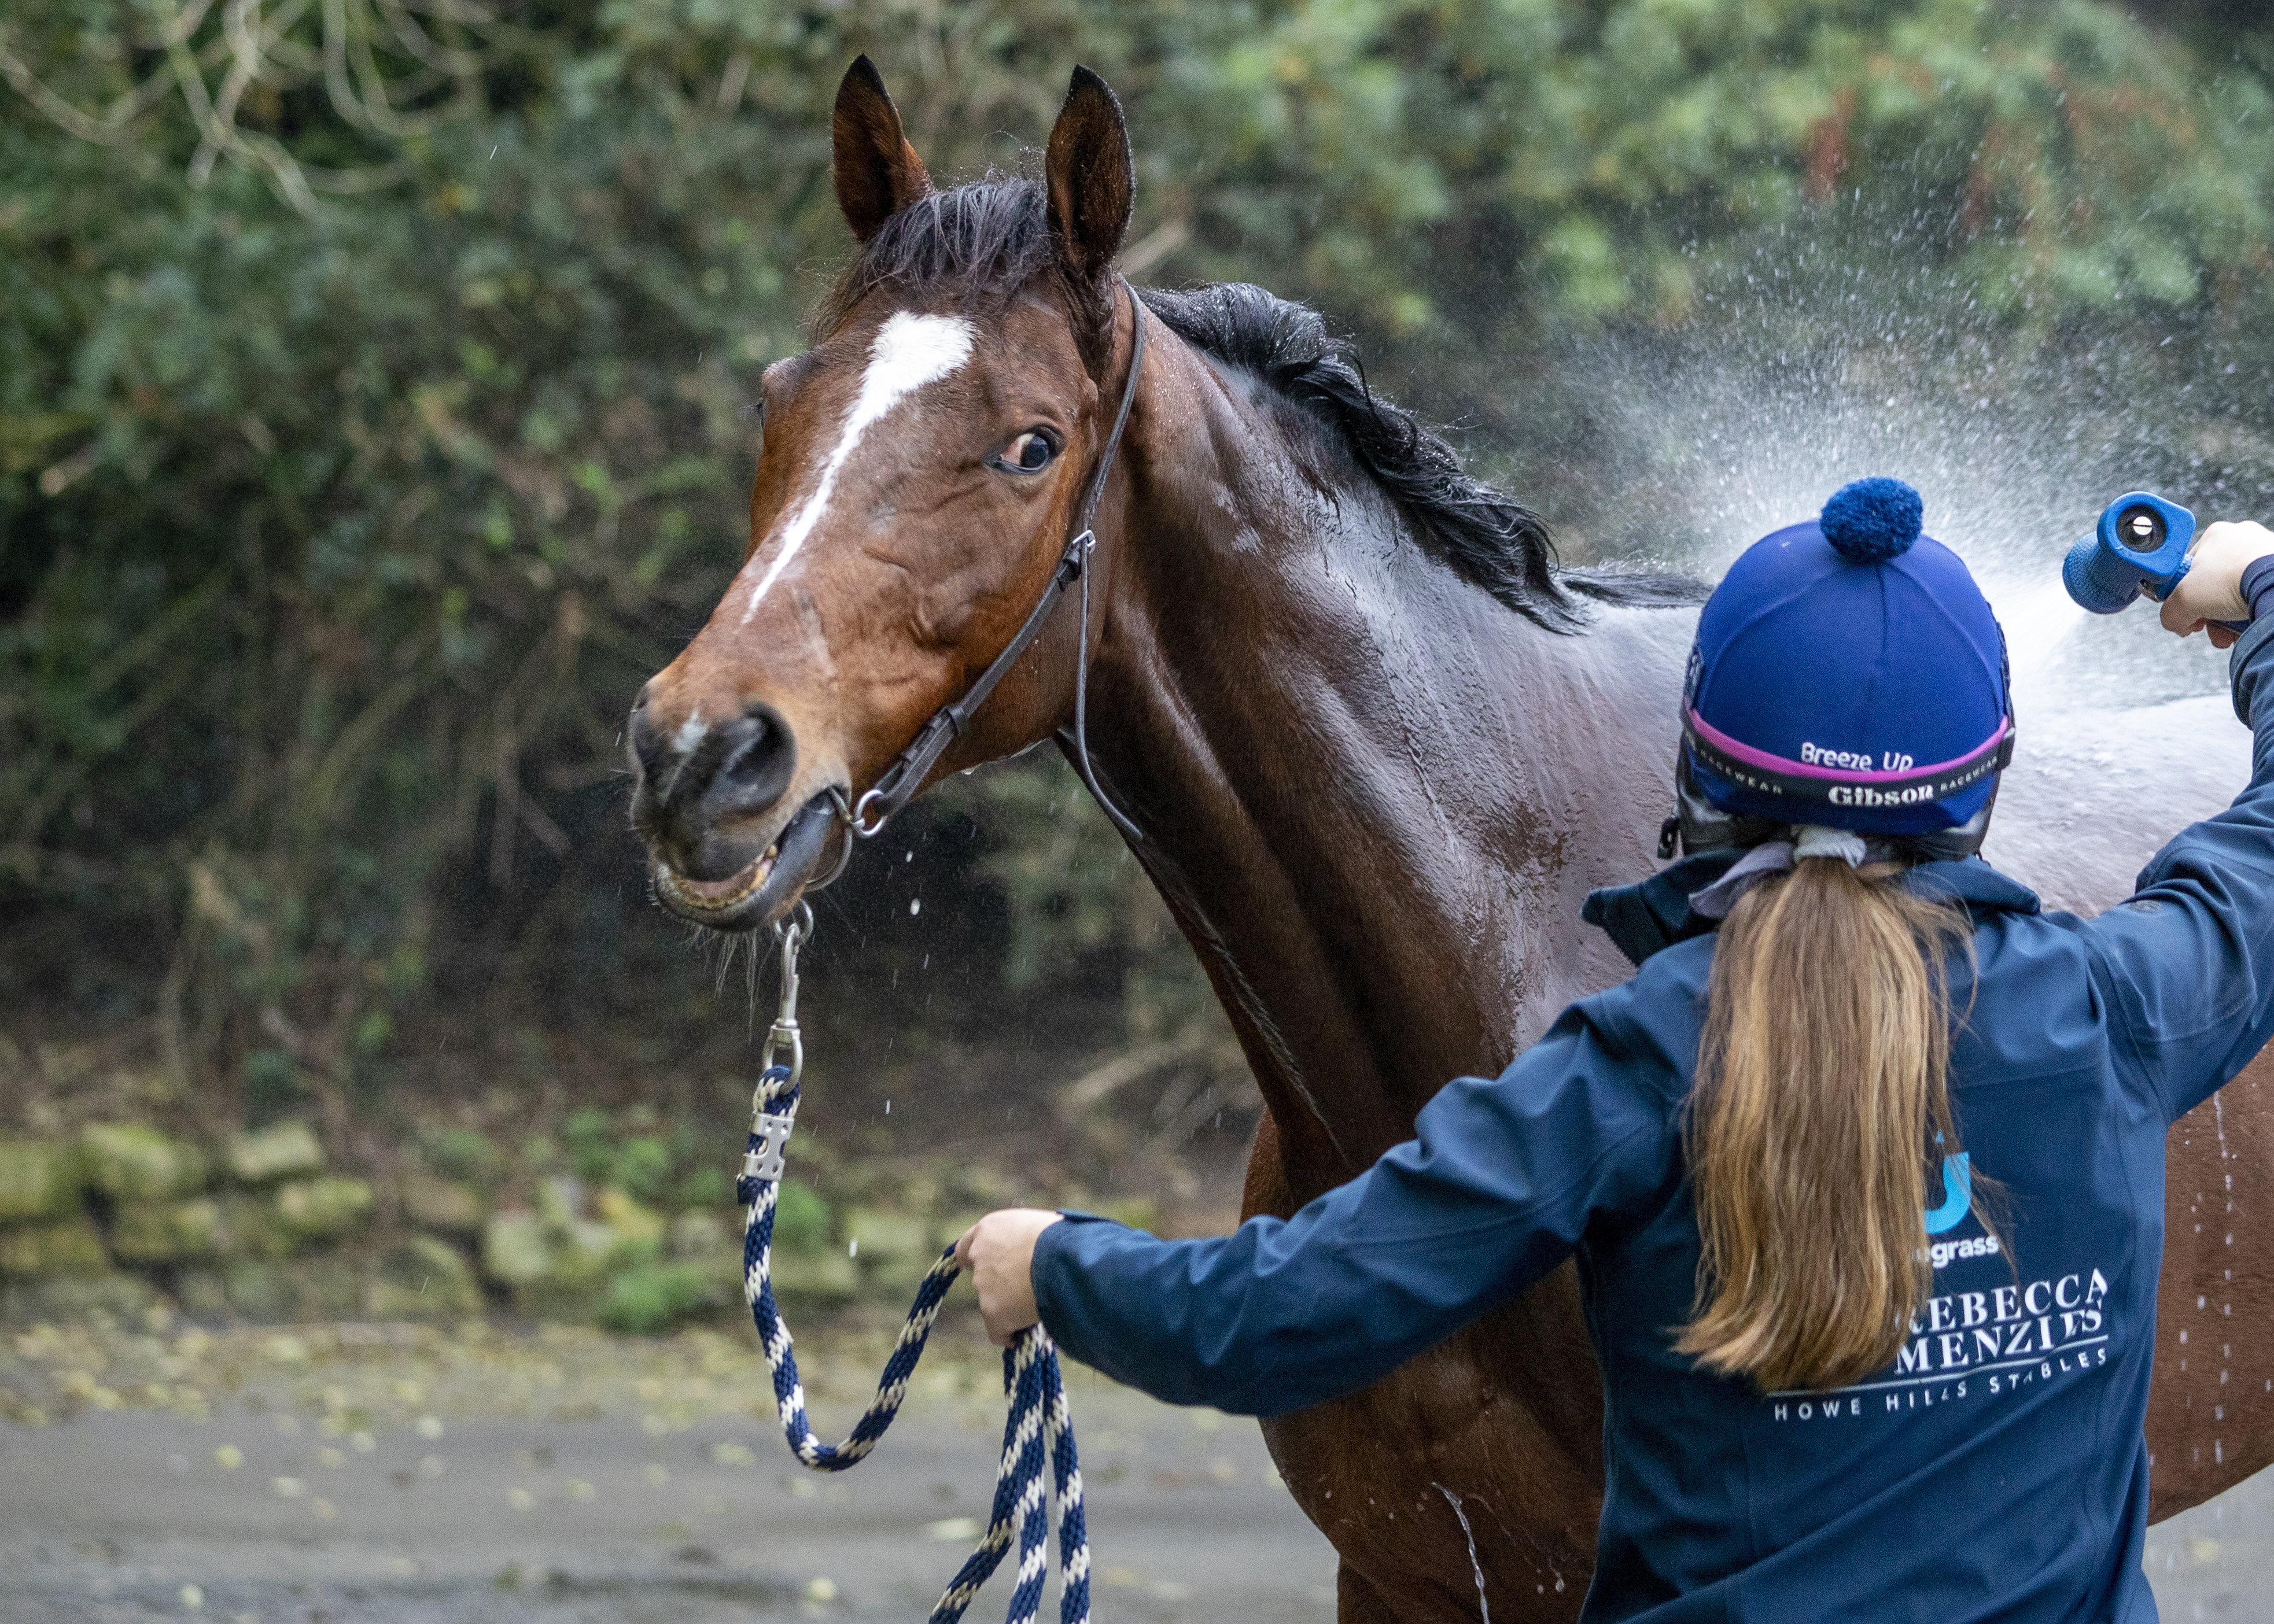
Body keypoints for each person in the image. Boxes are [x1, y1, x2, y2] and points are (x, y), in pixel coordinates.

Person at [954, 478, 2274, 1621]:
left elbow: (1285, 1314)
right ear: (1987, 781)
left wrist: (1058, 1269)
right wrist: (2261, 597)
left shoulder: (1627, 1068)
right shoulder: (2121, 1006)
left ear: (1695, 767)